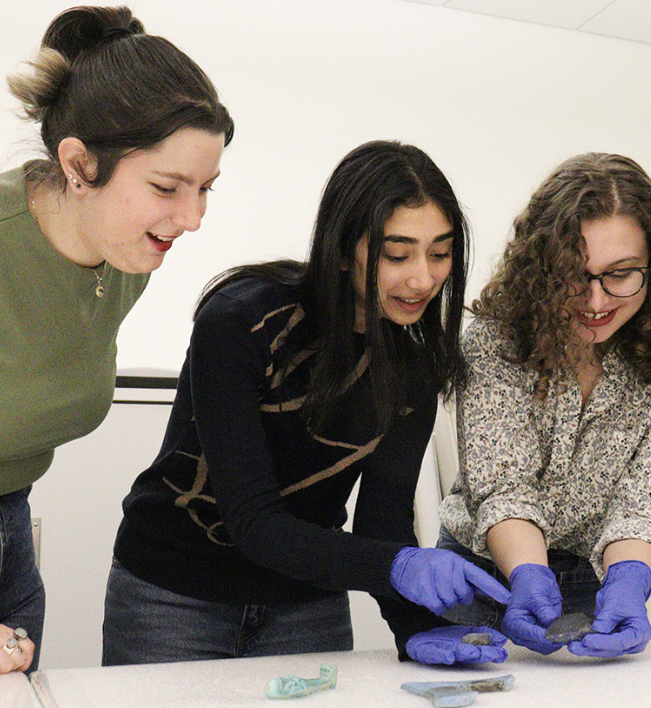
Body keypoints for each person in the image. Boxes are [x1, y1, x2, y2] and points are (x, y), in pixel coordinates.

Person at [103, 140, 510, 668]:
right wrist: (400, 567)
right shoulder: (243, 320)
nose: (423, 278)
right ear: (344, 248)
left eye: (439, 253)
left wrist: (414, 627)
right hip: (175, 596)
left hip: (306, 606)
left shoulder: (413, 368)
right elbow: (254, 520)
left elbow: (382, 524)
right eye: (396, 254)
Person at [0, 5, 232, 677]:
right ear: (78, 163)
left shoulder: (124, 259)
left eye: (207, 189)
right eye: (167, 187)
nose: (192, 218)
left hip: (7, 538)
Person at [437, 153, 651, 659]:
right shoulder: (495, 342)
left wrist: (631, 578)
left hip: (598, 581)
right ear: (539, 271)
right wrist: (525, 571)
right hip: (485, 575)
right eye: (573, 275)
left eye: (620, 274)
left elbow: (645, 503)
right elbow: (504, 487)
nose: (595, 300)